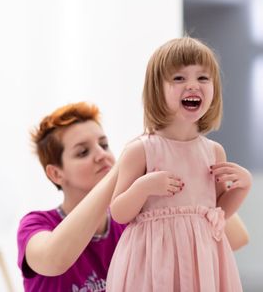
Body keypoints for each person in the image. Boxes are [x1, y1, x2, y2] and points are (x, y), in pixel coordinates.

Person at [17, 102, 249, 292]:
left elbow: (237, 238)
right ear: (56, 173)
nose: (101, 155)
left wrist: (186, 160)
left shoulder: (136, 217)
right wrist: (123, 166)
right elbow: (53, 260)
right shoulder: (36, 224)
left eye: (104, 144)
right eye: (83, 152)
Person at [107, 37, 252, 291]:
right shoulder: (141, 149)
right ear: (156, 90)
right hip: (152, 265)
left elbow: (218, 215)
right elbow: (119, 213)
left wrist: (242, 187)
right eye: (179, 78)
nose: (193, 85)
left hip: (202, 264)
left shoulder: (213, 152)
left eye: (203, 78)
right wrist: (143, 187)